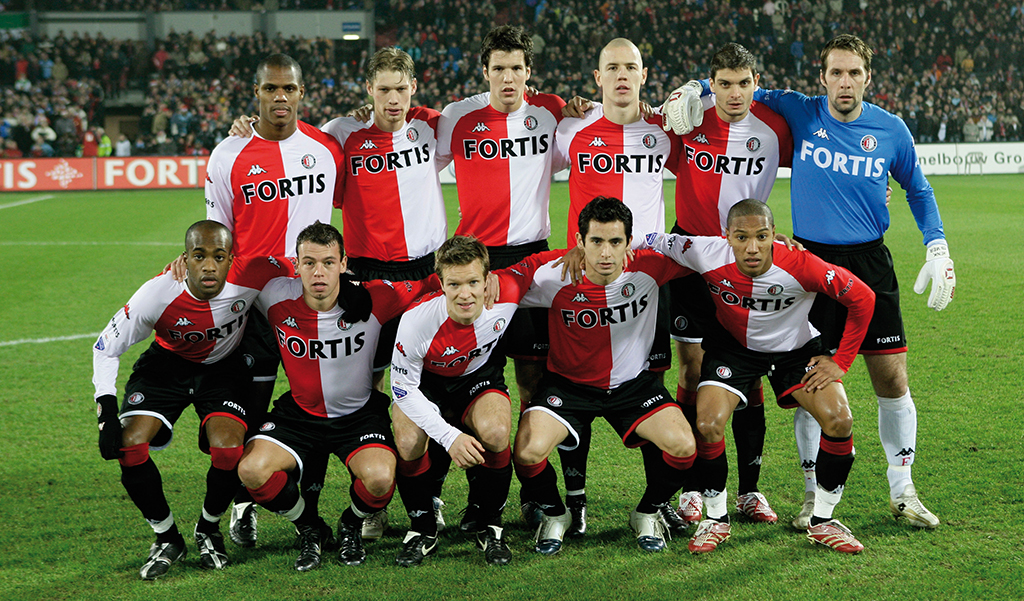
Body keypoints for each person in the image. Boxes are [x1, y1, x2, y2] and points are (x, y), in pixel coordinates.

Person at [663, 34, 955, 529]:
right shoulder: (798, 111)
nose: (845, 82)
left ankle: (903, 488)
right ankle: (809, 493)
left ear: (868, 77)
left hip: (869, 261)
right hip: (811, 266)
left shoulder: (891, 130)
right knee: (810, 377)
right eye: (836, 73)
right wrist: (691, 88)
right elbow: (740, 90)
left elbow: (919, 189)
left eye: (854, 73)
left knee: (893, 378)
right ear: (822, 78)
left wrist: (937, 244)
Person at [640, 199, 875, 554]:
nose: (752, 247)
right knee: (707, 424)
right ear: (727, 237)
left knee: (840, 420)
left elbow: (863, 297)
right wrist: (618, 245)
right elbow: (655, 239)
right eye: (742, 237)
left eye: (762, 237)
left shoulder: (801, 264)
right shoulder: (704, 251)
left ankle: (823, 520)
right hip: (733, 348)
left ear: (772, 236)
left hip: (794, 350)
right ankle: (715, 519)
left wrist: (841, 361)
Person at [433, 23, 576, 536]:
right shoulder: (458, 118)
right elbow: (410, 143)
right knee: (476, 380)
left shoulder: (550, 112)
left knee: (535, 378)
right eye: (499, 69)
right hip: (477, 267)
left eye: (517, 68)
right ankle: (476, 498)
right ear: (485, 72)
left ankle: (536, 491)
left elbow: (583, 137)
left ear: (529, 72)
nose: (508, 77)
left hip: (534, 264)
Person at [91, 221, 292, 579]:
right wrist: (106, 410)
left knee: (229, 449)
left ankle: (208, 529)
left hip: (222, 370)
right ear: (185, 259)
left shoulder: (255, 272)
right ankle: (167, 537)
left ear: (233, 258)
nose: (209, 266)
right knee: (130, 444)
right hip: (165, 367)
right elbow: (105, 348)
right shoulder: (156, 294)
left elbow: (304, 265)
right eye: (199, 256)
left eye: (218, 256)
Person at [236, 221, 438, 571]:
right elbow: (225, 266)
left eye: (329, 262)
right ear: (295, 264)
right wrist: (176, 265)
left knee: (379, 478)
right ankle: (309, 527)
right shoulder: (274, 293)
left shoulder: (376, 297)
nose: (319, 272)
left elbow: (431, 282)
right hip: (299, 415)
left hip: (358, 416)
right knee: (252, 470)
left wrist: (489, 278)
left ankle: (350, 523)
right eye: (309, 262)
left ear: (344, 264)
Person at [205, 53, 345, 551]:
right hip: (253, 309)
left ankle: (309, 497)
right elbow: (219, 234)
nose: (279, 97)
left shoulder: (326, 148)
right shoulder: (228, 154)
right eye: (270, 89)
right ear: (256, 92)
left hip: (315, 302)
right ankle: (244, 505)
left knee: (321, 403)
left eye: (288, 88)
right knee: (251, 407)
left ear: (302, 92)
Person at [548, 37, 683, 535]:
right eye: (612, 67)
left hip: (646, 283)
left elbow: (707, 175)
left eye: (631, 67)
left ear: (644, 77)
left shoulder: (666, 133)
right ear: (597, 78)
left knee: (650, 386)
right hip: (579, 282)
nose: (622, 74)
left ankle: (657, 501)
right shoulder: (571, 131)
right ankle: (575, 501)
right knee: (572, 386)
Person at [513, 197, 697, 555]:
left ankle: (647, 512)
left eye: (615, 241)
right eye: (596, 241)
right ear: (579, 242)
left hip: (632, 387)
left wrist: (776, 247)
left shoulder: (651, 267)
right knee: (526, 452)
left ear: (630, 242)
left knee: (684, 447)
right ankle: (555, 514)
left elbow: (711, 255)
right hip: (567, 388)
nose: (606, 252)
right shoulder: (555, 273)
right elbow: (507, 277)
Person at [665, 42, 793, 527]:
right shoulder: (689, 120)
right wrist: (687, 91)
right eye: (723, 83)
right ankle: (695, 487)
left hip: (747, 261)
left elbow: (821, 164)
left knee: (747, 375)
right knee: (694, 373)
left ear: (755, 82)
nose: (734, 92)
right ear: (710, 83)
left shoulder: (775, 128)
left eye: (744, 82)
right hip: (692, 259)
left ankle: (750, 492)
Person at [389, 236, 562, 566]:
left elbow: (540, 260)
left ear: (488, 279)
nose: (465, 294)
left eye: (473, 282)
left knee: (497, 431)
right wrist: (449, 436)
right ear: (441, 283)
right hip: (425, 386)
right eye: (454, 284)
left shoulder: (507, 291)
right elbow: (403, 390)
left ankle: (489, 526)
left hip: (478, 379)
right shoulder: (416, 322)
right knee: (409, 440)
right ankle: (422, 529)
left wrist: (580, 251)